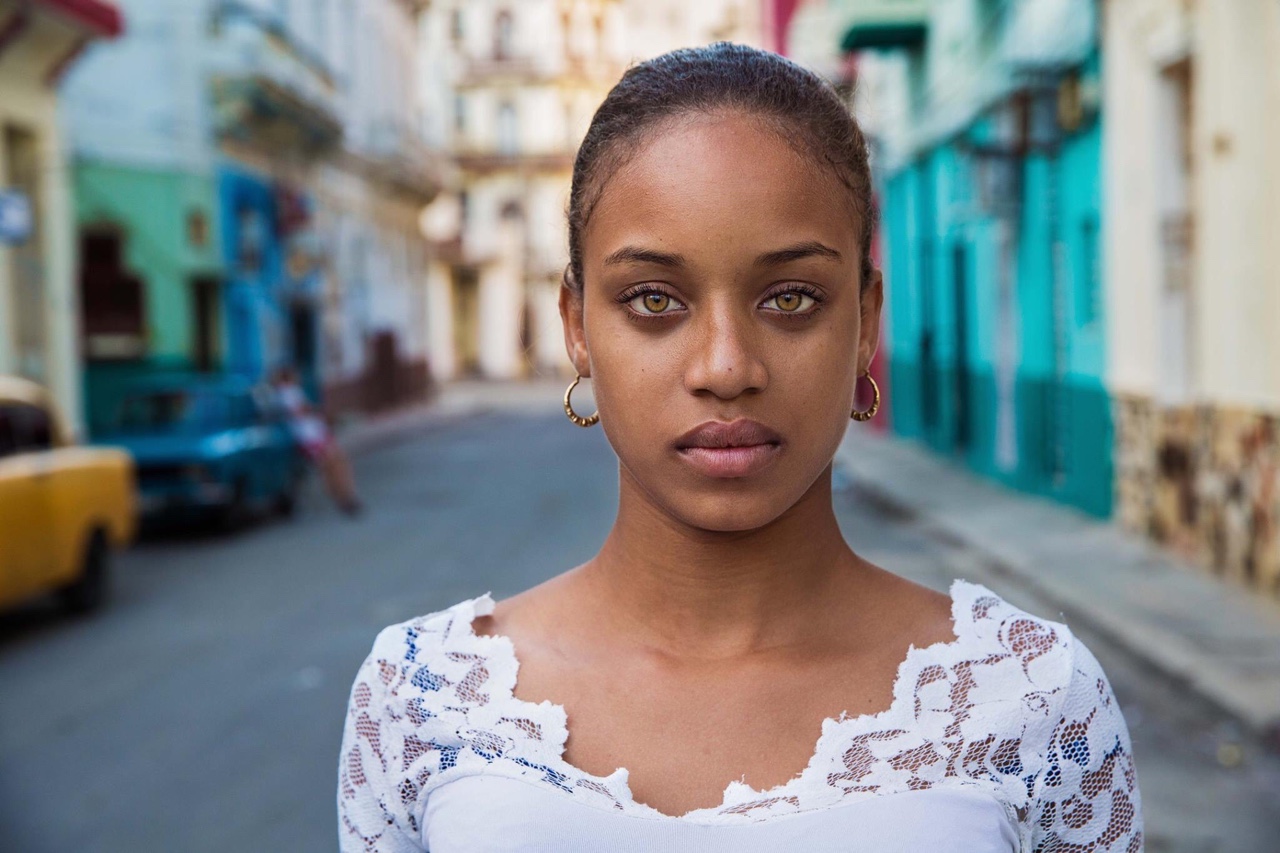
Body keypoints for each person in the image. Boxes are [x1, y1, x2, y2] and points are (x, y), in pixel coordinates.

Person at [338, 44, 1142, 851]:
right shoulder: (422, 698)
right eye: (654, 299)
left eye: (791, 297)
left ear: (865, 322)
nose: (726, 365)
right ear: (578, 326)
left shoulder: (1033, 699)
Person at [271, 366, 362, 517]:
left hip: (314, 433)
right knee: (332, 464)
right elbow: (299, 412)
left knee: (335, 463)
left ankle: (344, 495)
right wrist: (315, 412)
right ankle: (344, 496)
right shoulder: (287, 393)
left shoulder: (289, 392)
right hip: (309, 436)